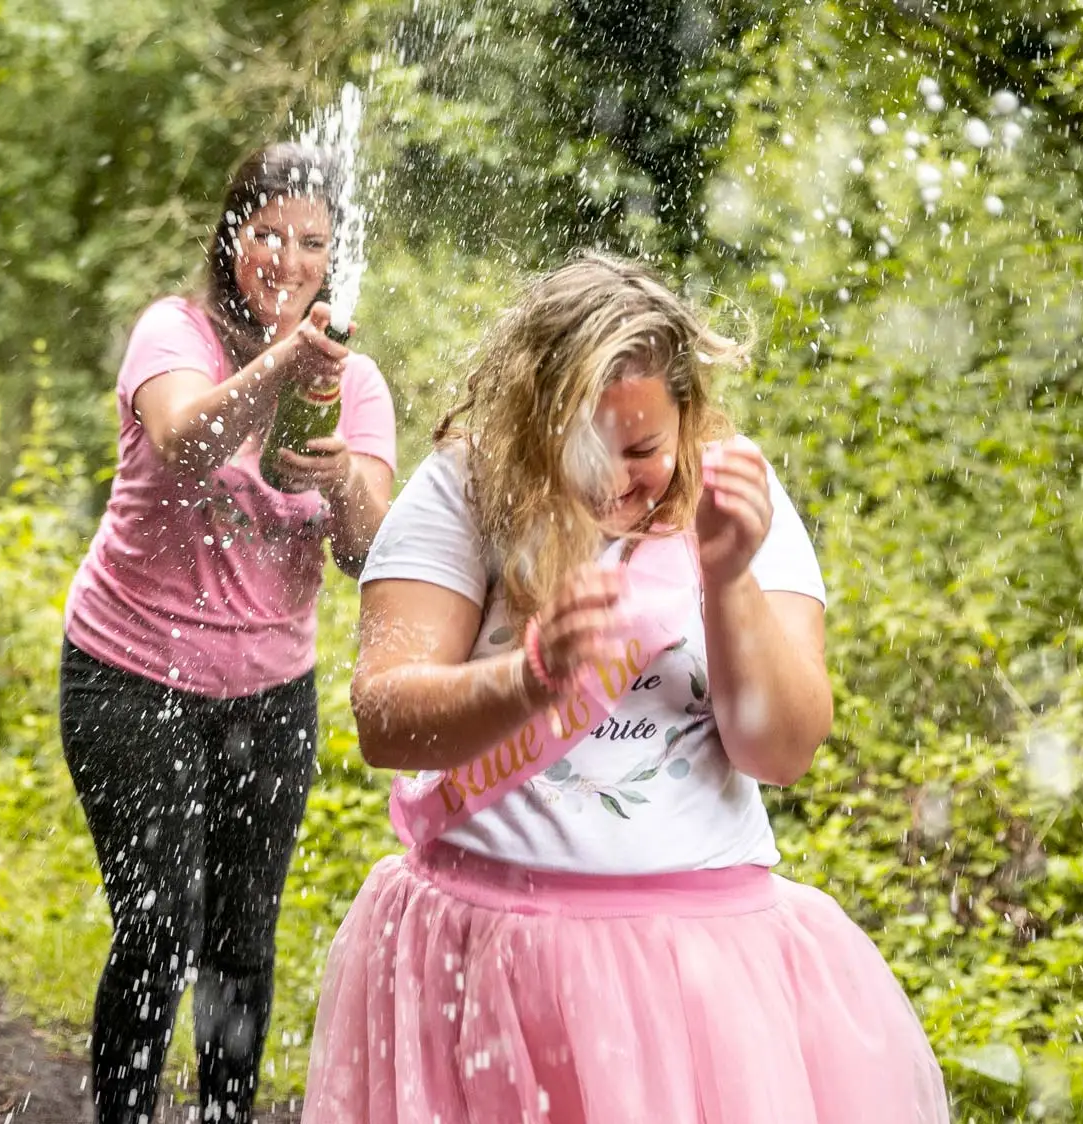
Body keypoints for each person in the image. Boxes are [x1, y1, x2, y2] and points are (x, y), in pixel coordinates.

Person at [303, 253, 949, 1122]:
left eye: (644, 448)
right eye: (584, 448)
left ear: (688, 418)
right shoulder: (464, 487)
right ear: (533, 418)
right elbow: (384, 721)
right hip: (480, 956)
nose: (614, 480)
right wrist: (529, 682)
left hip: (697, 978)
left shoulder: (738, 493)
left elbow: (782, 751)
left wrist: (727, 576)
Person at [59, 143, 396, 1124]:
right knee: (159, 928)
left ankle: (225, 1114)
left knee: (243, 941)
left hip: (270, 693)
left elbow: (367, 552)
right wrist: (285, 362)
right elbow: (186, 440)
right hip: (127, 675)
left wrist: (338, 476)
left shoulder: (353, 382)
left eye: (311, 242)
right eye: (268, 234)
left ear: (332, 256)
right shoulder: (177, 332)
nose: (286, 258)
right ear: (232, 235)